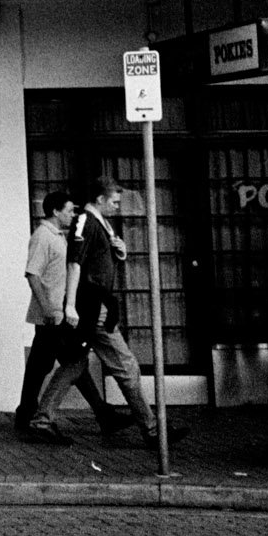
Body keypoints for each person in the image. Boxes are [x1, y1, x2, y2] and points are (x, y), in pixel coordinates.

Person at [52, 178, 185, 450]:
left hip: (95, 304)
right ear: (100, 199)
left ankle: (43, 416)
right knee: (126, 367)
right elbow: (75, 263)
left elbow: (89, 260)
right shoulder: (86, 221)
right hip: (95, 305)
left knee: (76, 364)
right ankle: (151, 429)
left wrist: (118, 253)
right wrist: (70, 305)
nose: (117, 206)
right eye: (114, 201)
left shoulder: (99, 223)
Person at [16, 191, 130, 444]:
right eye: (68, 210)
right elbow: (32, 274)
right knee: (61, 364)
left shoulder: (59, 236)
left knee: (68, 364)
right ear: (55, 212)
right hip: (52, 315)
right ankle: (33, 417)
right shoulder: (43, 236)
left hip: (60, 313)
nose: (72, 214)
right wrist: (48, 309)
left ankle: (30, 414)